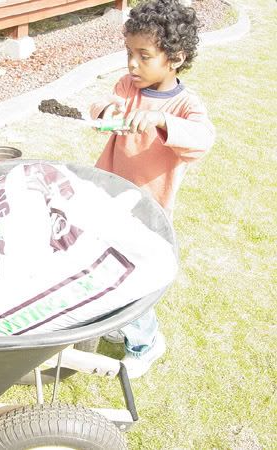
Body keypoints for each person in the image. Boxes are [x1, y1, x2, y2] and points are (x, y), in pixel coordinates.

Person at [89, 0, 215, 378]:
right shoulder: (128, 86)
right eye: (129, 53)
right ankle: (120, 322)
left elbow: (202, 139)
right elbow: (103, 105)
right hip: (109, 194)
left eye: (144, 56)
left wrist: (161, 119)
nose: (132, 64)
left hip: (147, 210)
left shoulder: (185, 105)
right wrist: (106, 113)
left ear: (174, 57)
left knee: (134, 277)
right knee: (102, 264)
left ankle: (146, 343)